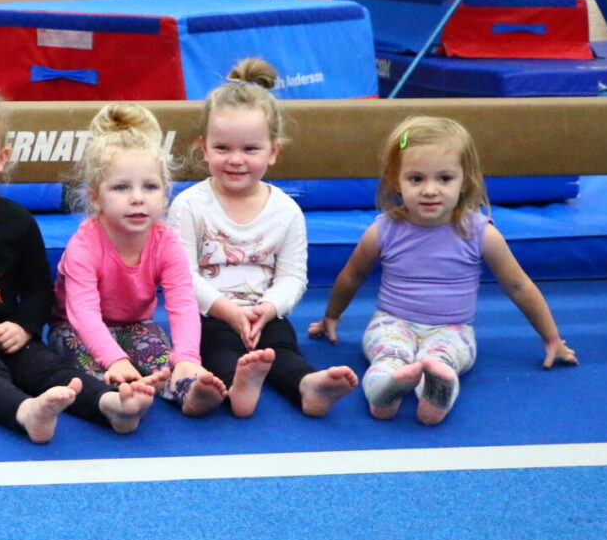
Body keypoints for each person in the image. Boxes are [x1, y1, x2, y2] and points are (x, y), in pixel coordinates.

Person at [0, 87, 161, 443]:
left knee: (49, 368)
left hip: (11, 334)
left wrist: (23, 327)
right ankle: (25, 413)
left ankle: (110, 405)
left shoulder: (18, 221)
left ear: (2, 157)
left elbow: (39, 289)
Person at [308, 115, 579, 424]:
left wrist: (551, 338)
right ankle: (385, 392)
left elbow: (519, 286)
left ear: (466, 181)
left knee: (441, 360)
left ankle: (435, 397)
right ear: (395, 181)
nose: (430, 190)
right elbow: (351, 275)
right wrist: (331, 316)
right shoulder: (385, 230)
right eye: (416, 179)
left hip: (453, 328)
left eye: (444, 178)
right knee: (388, 357)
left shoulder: (479, 233)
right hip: (391, 321)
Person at [165, 58, 360, 417]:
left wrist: (267, 309)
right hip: (211, 315)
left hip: (263, 314)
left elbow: (291, 277)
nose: (236, 159)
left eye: (250, 149)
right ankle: (237, 385)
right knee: (218, 347)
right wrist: (227, 311)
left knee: (282, 347)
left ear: (273, 150)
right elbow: (181, 277)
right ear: (203, 147)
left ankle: (306, 386)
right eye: (222, 148)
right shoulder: (190, 205)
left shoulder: (285, 211)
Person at [49, 102, 227, 416]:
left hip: (136, 324)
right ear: (95, 196)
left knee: (162, 360)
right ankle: (118, 400)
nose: (137, 198)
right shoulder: (85, 246)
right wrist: (115, 360)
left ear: (165, 192)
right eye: (121, 187)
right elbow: (84, 314)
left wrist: (188, 358)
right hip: (74, 328)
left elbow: (183, 302)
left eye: (150, 186)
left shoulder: (166, 242)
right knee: (86, 362)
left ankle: (185, 391)